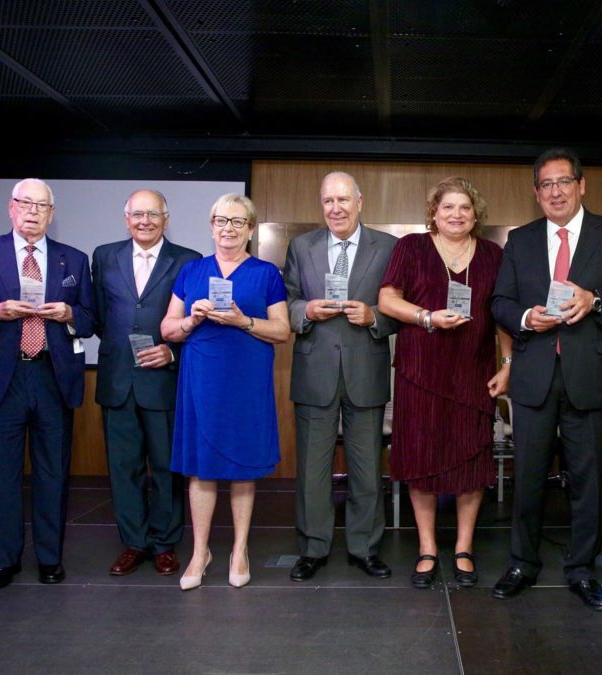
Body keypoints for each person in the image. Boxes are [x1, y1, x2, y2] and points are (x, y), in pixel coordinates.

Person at [491, 149, 602, 610]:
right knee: (528, 478)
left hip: (591, 376)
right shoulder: (520, 240)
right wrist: (524, 316)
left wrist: (595, 300)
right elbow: (499, 301)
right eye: (546, 184)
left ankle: (582, 569)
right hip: (534, 376)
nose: (556, 191)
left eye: (564, 182)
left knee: (587, 479)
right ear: (537, 193)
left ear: (581, 185)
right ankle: (522, 562)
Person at [0, 178, 94, 590]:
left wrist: (69, 314)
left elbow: (90, 319)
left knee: (52, 474)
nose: (32, 211)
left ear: (52, 213)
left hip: (52, 376)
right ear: (10, 208)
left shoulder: (74, 260)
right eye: (25, 203)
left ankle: (49, 558)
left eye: (41, 205)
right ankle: (4, 561)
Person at [379, 177, 512, 589]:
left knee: (472, 459)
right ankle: (427, 548)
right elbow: (386, 299)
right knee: (421, 458)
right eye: (448, 207)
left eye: (465, 208)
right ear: (434, 212)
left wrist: (507, 363)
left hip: (473, 370)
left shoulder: (493, 255)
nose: (457, 214)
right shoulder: (412, 247)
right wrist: (426, 317)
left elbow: (502, 315)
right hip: (421, 370)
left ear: (476, 214)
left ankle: (464, 548)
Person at [160, 193, 290, 591]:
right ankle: (200, 552)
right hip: (202, 378)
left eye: (237, 221)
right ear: (211, 224)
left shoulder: (267, 274)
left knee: (241, 469)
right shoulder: (191, 270)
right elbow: (168, 328)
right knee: (201, 468)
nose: (228, 228)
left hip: (247, 380)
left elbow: (282, 331)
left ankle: (239, 550)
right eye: (221, 220)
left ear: (250, 229)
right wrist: (191, 321)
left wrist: (242, 320)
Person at [282, 172, 398, 582]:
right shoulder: (302, 246)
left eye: (343, 200)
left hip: (366, 368)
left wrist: (375, 317)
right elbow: (288, 301)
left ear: (360, 201)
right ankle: (313, 548)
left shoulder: (388, 247)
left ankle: (364, 547)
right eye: (328, 201)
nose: (336, 208)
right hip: (315, 371)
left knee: (367, 468)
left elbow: (400, 306)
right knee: (313, 469)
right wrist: (305, 313)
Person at [92, 189, 201, 577]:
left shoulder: (188, 260)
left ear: (166, 219)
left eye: (153, 214)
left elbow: (197, 325)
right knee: (123, 468)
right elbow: (103, 317)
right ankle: (134, 543)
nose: (145, 221)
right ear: (126, 218)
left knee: (166, 467)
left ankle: (165, 544)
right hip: (118, 379)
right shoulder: (104, 256)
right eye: (137, 214)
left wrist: (172, 352)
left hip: (163, 379)